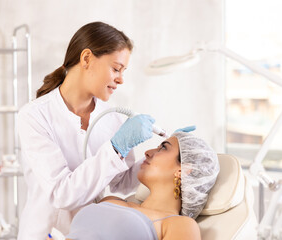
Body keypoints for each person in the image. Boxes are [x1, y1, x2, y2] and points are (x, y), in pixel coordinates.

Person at [18, 21, 165, 239]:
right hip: (45, 233)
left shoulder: (112, 117)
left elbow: (121, 182)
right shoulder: (35, 115)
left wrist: (163, 156)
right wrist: (116, 148)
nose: (121, 79)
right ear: (86, 58)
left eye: (123, 71)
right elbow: (62, 193)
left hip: (91, 233)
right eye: (116, 69)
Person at [64, 132, 220, 240]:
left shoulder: (180, 225)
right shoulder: (111, 200)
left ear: (185, 169)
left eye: (163, 148)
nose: (148, 152)